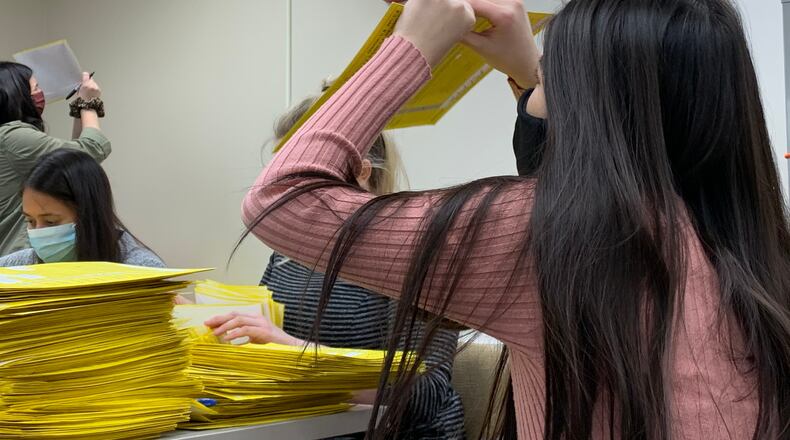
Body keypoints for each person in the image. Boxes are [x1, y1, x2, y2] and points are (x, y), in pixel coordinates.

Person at [240, 0, 790, 439]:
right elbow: (584, 178)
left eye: (553, 79)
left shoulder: (550, 238)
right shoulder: (752, 243)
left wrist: (410, 49)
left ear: (590, 106)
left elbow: (283, 196)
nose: (535, 92)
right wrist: (535, 72)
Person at [208, 87, 466, 439]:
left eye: (297, 175)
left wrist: (292, 351)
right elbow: (266, 350)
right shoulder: (287, 255)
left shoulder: (416, 254)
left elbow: (422, 396)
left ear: (360, 171)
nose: (281, 191)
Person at [0, 62, 111, 256]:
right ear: (17, 95)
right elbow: (91, 151)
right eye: (36, 88)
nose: (40, 93)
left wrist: (80, 107)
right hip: (14, 259)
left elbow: (69, 163)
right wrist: (89, 103)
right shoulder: (12, 138)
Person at [0, 149, 163, 268]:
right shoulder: (19, 268)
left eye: (50, 222)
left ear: (89, 216)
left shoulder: (141, 270)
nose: (38, 233)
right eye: (30, 221)